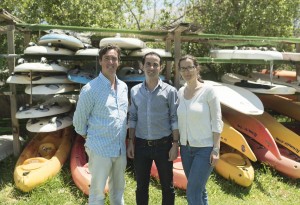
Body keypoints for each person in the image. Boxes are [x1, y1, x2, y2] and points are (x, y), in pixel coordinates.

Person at [73, 45, 128, 205]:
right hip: (100, 149)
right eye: (107, 58)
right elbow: (78, 122)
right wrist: (92, 139)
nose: (111, 62)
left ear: (119, 61)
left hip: (119, 149)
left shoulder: (124, 87)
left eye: (114, 58)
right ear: (100, 61)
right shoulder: (90, 89)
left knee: (118, 191)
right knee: (97, 193)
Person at [127, 52, 179, 205]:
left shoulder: (170, 91)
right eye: (148, 64)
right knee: (141, 187)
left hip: (164, 145)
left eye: (155, 64)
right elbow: (133, 118)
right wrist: (131, 142)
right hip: (141, 145)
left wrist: (175, 144)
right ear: (142, 66)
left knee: (167, 187)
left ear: (161, 67)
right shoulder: (135, 91)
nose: (151, 67)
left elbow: (174, 118)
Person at [177, 55, 223, 205]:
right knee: (200, 190)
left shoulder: (209, 91)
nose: (187, 71)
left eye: (190, 67)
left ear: (197, 68)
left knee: (192, 191)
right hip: (185, 148)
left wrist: (216, 149)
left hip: (205, 149)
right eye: (183, 68)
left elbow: (217, 121)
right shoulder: (180, 92)